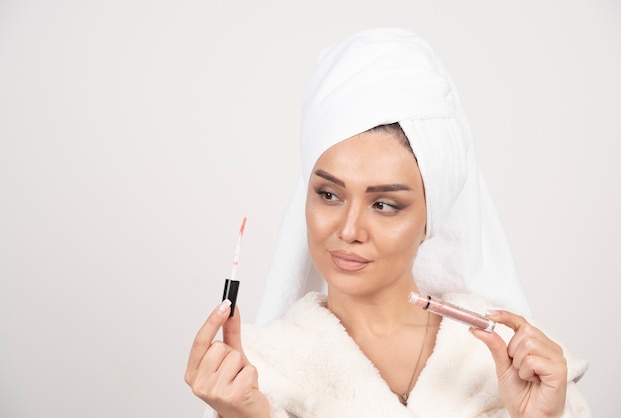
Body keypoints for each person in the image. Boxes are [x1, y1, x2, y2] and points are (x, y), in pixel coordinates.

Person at [185, 28, 592, 417]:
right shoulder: (257, 370)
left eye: (384, 204)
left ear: (432, 217)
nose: (348, 230)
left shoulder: (510, 359)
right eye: (329, 195)